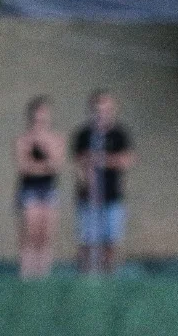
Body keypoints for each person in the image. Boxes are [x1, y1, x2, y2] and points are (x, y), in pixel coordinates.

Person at [73, 91, 134, 275]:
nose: (102, 114)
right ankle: (86, 279)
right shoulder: (84, 135)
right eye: (98, 110)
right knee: (87, 242)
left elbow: (126, 160)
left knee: (111, 243)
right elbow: (79, 162)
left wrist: (100, 160)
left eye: (106, 110)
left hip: (112, 196)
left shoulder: (119, 134)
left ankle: (108, 279)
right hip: (88, 198)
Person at [13, 96, 65, 280]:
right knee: (30, 235)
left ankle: (43, 276)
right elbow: (23, 167)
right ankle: (27, 275)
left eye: (43, 119)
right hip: (29, 191)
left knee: (46, 236)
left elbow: (57, 165)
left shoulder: (56, 139)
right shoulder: (23, 139)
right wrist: (43, 166)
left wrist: (42, 157)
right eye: (36, 119)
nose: (39, 123)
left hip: (49, 190)